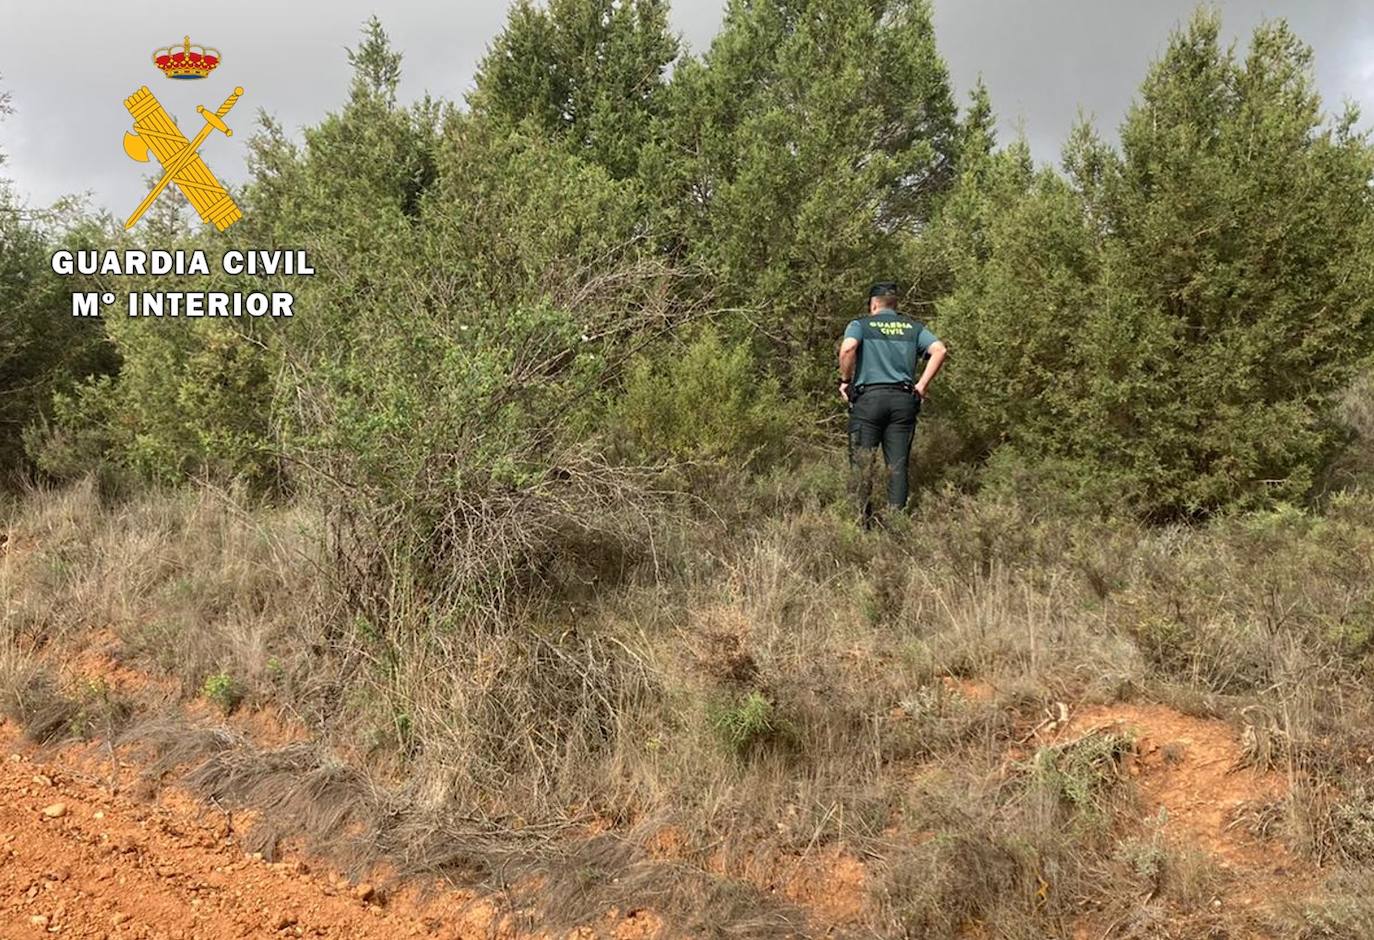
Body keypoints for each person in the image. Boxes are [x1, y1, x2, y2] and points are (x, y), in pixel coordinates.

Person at [839, 282, 948, 519]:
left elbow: (847, 349)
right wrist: (921, 386)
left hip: (869, 400)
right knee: (898, 467)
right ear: (894, 304)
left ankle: (861, 522)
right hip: (903, 401)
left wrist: (845, 380)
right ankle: (896, 524)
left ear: (873, 304)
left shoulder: (861, 325)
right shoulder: (913, 327)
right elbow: (939, 350)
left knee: (862, 464)